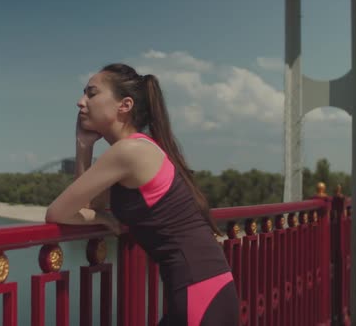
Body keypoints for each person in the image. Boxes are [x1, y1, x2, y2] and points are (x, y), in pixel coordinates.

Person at [45, 63, 239, 325]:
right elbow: (89, 203)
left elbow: (57, 213)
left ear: (124, 105)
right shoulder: (136, 149)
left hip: (198, 295)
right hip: (204, 288)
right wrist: (83, 146)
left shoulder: (129, 152)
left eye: (92, 94)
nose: (81, 102)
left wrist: (100, 219)